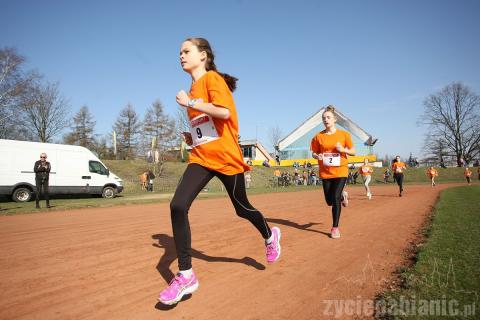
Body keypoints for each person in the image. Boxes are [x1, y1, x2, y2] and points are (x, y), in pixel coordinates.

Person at [158, 38, 281, 305]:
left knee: (241, 207)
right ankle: (187, 274)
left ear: (203, 55)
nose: (181, 55)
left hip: (226, 158)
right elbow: (206, 127)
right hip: (202, 157)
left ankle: (270, 235)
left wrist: (191, 103)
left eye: (186, 51)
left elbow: (224, 113)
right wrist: (193, 138)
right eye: (179, 52)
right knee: (178, 206)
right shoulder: (193, 87)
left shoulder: (212, 79)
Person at [310, 105, 356, 239]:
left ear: (335, 119)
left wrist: (343, 150)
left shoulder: (344, 135)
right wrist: (316, 156)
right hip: (325, 172)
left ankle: (335, 227)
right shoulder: (318, 137)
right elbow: (314, 152)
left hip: (341, 170)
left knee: (334, 198)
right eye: (324, 118)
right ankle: (343, 196)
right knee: (329, 201)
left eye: (328, 117)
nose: (326, 120)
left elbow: (353, 151)